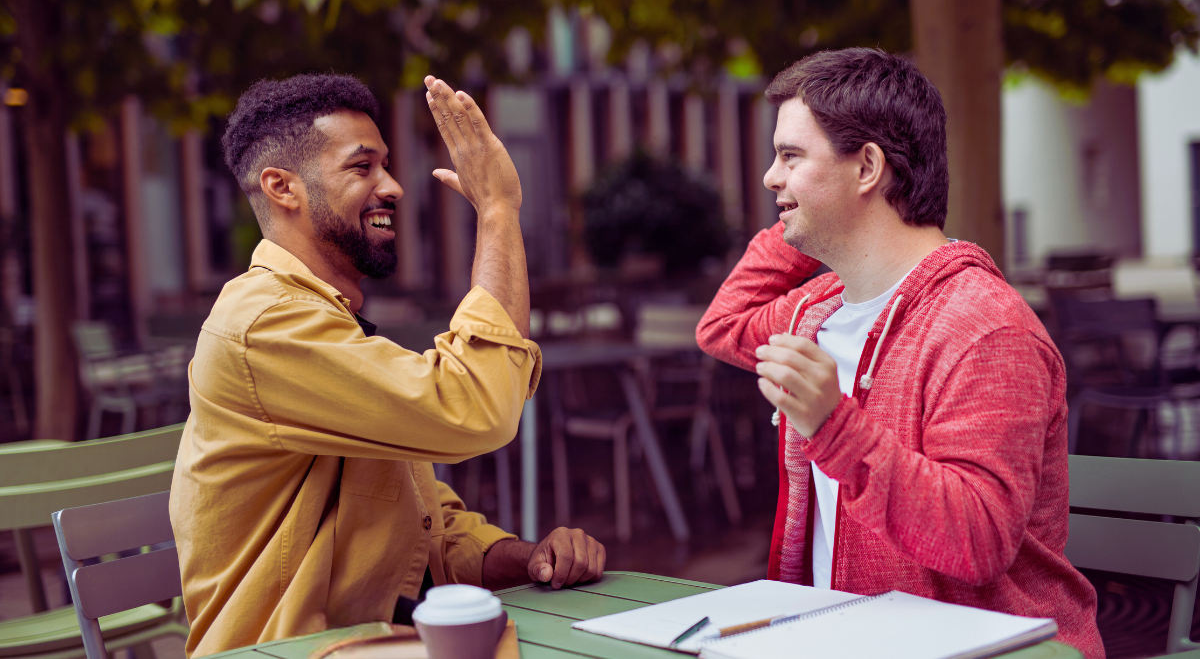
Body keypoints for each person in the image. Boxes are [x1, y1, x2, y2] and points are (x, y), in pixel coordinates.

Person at [170, 73, 605, 658]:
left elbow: (426, 526)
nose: (394, 187)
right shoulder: (264, 323)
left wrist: (529, 559)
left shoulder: (321, 317)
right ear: (282, 187)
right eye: (362, 167)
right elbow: (474, 408)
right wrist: (498, 210)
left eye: (387, 166)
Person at [696, 48, 1103, 659]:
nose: (768, 177)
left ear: (867, 167)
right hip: (849, 639)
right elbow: (722, 324)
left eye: (790, 156)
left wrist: (833, 426)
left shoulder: (984, 327)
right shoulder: (819, 309)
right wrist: (803, 225)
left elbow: (979, 541)